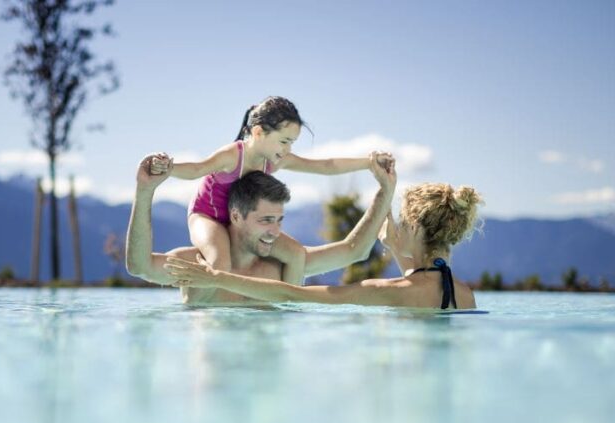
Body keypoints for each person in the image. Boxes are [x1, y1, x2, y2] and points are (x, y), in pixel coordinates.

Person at [148, 96, 390, 282]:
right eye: (284, 141)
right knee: (220, 262)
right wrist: (169, 168)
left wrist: (367, 162)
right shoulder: (232, 155)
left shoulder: (275, 159)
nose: (287, 149)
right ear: (258, 132)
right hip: (207, 215)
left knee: (296, 254)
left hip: (243, 220)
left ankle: (286, 308)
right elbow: (196, 170)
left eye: (292, 143)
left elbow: (325, 166)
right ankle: (211, 316)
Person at [125, 152, 397, 306]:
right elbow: (139, 266)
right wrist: (145, 191)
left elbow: (354, 251)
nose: (275, 231)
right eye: (266, 220)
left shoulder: (280, 266)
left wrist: (386, 190)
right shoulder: (197, 264)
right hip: (215, 383)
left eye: (279, 220)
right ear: (236, 215)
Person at [164, 183, 484, 310]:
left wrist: (217, 278)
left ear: (413, 227)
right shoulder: (464, 294)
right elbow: (424, 285)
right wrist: (398, 244)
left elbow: (292, 293)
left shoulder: (385, 290)